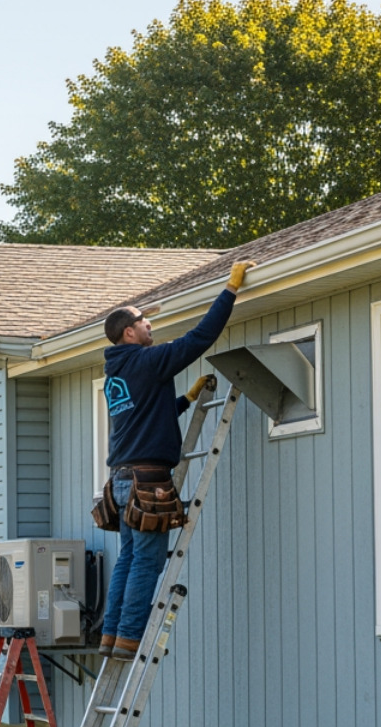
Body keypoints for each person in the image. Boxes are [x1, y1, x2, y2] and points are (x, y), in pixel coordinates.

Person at [98, 260, 257, 660]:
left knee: (128, 559)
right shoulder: (147, 361)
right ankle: (130, 640)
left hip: (121, 481)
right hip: (148, 483)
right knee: (147, 563)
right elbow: (199, 338)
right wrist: (230, 290)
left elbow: (146, 416)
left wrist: (185, 399)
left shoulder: (116, 375)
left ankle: (112, 636)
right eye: (143, 321)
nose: (149, 325)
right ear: (129, 332)